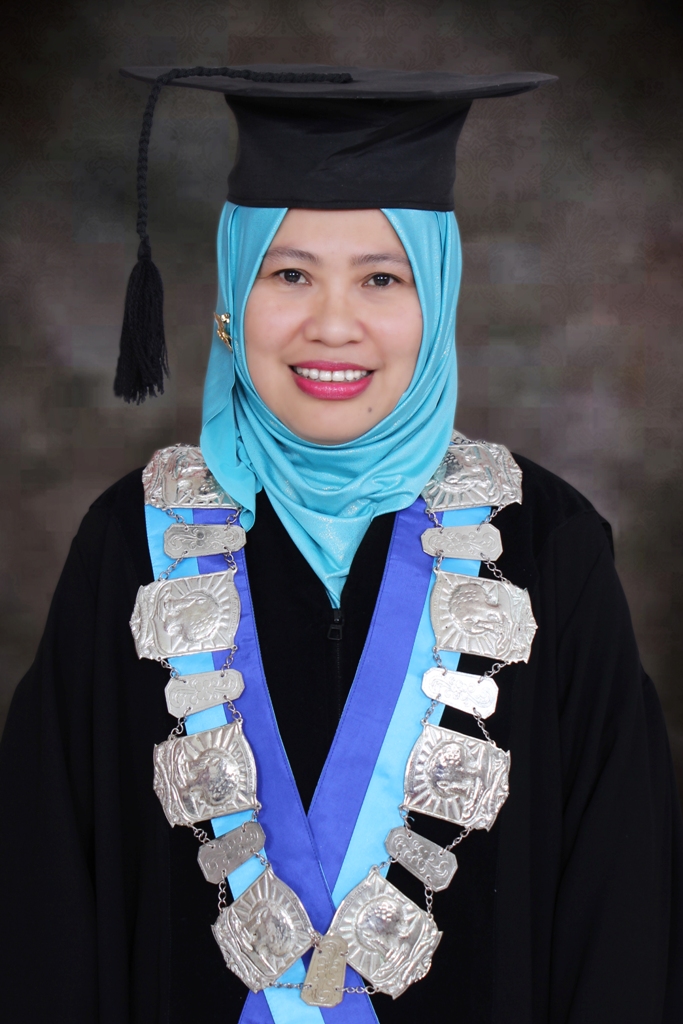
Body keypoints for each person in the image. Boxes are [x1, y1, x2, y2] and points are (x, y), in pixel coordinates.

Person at [0, 63, 681, 1024]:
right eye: (289, 274)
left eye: (380, 278)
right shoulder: (133, 544)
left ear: (435, 299)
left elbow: (622, 902)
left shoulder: (546, 546)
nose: (331, 324)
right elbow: (44, 900)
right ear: (231, 298)